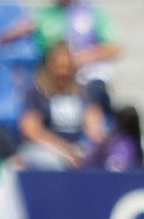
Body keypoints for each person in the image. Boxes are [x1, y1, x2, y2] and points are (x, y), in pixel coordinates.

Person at [0, 0, 120, 113]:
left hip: (85, 77)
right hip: (51, 79)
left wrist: (80, 59)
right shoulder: (43, 15)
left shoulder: (92, 13)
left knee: (95, 93)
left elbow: (113, 48)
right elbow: (2, 39)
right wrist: (16, 32)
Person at [17, 40, 104, 170]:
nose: (63, 72)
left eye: (67, 67)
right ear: (50, 66)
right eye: (59, 67)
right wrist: (65, 150)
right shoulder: (36, 93)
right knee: (53, 164)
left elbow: (94, 125)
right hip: (45, 149)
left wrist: (98, 142)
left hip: (76, 147)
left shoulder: (83, 93)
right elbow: (31, 131)